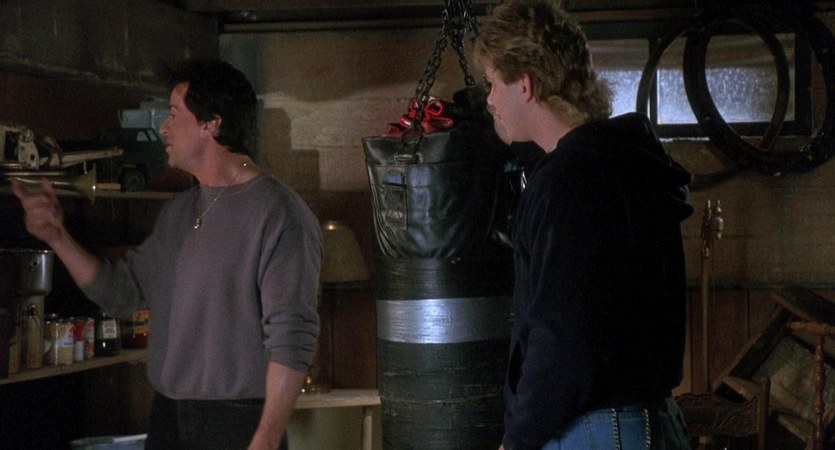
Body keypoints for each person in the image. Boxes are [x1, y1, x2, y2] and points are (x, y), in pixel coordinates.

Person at [12, 58, 322, 450]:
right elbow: (119, 291)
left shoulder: (278, 213)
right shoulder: (179, 211)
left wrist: (267, 436)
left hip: (240, 422)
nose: (163, 127)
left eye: (174, 114)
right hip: (168, 417)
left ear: (212, 124)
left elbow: (292, 335)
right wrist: (57, 237)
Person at [474, 1, 695, 449]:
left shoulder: (570, 182)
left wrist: (517, 440)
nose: (490, 100)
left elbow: (562, 339)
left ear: (525, 85)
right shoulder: (624, 163)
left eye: (493, 83)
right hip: (648, 422)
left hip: (596, 431)